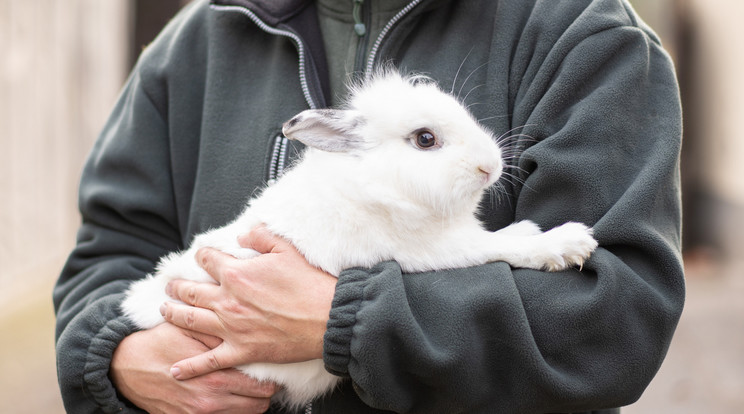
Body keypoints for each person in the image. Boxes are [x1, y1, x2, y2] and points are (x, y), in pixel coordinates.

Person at [53, 0, 685, 413]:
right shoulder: (197, 43)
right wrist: (122, 360)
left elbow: (614, 320)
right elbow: (108, 252)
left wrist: (348, 321)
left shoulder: (585, 38)